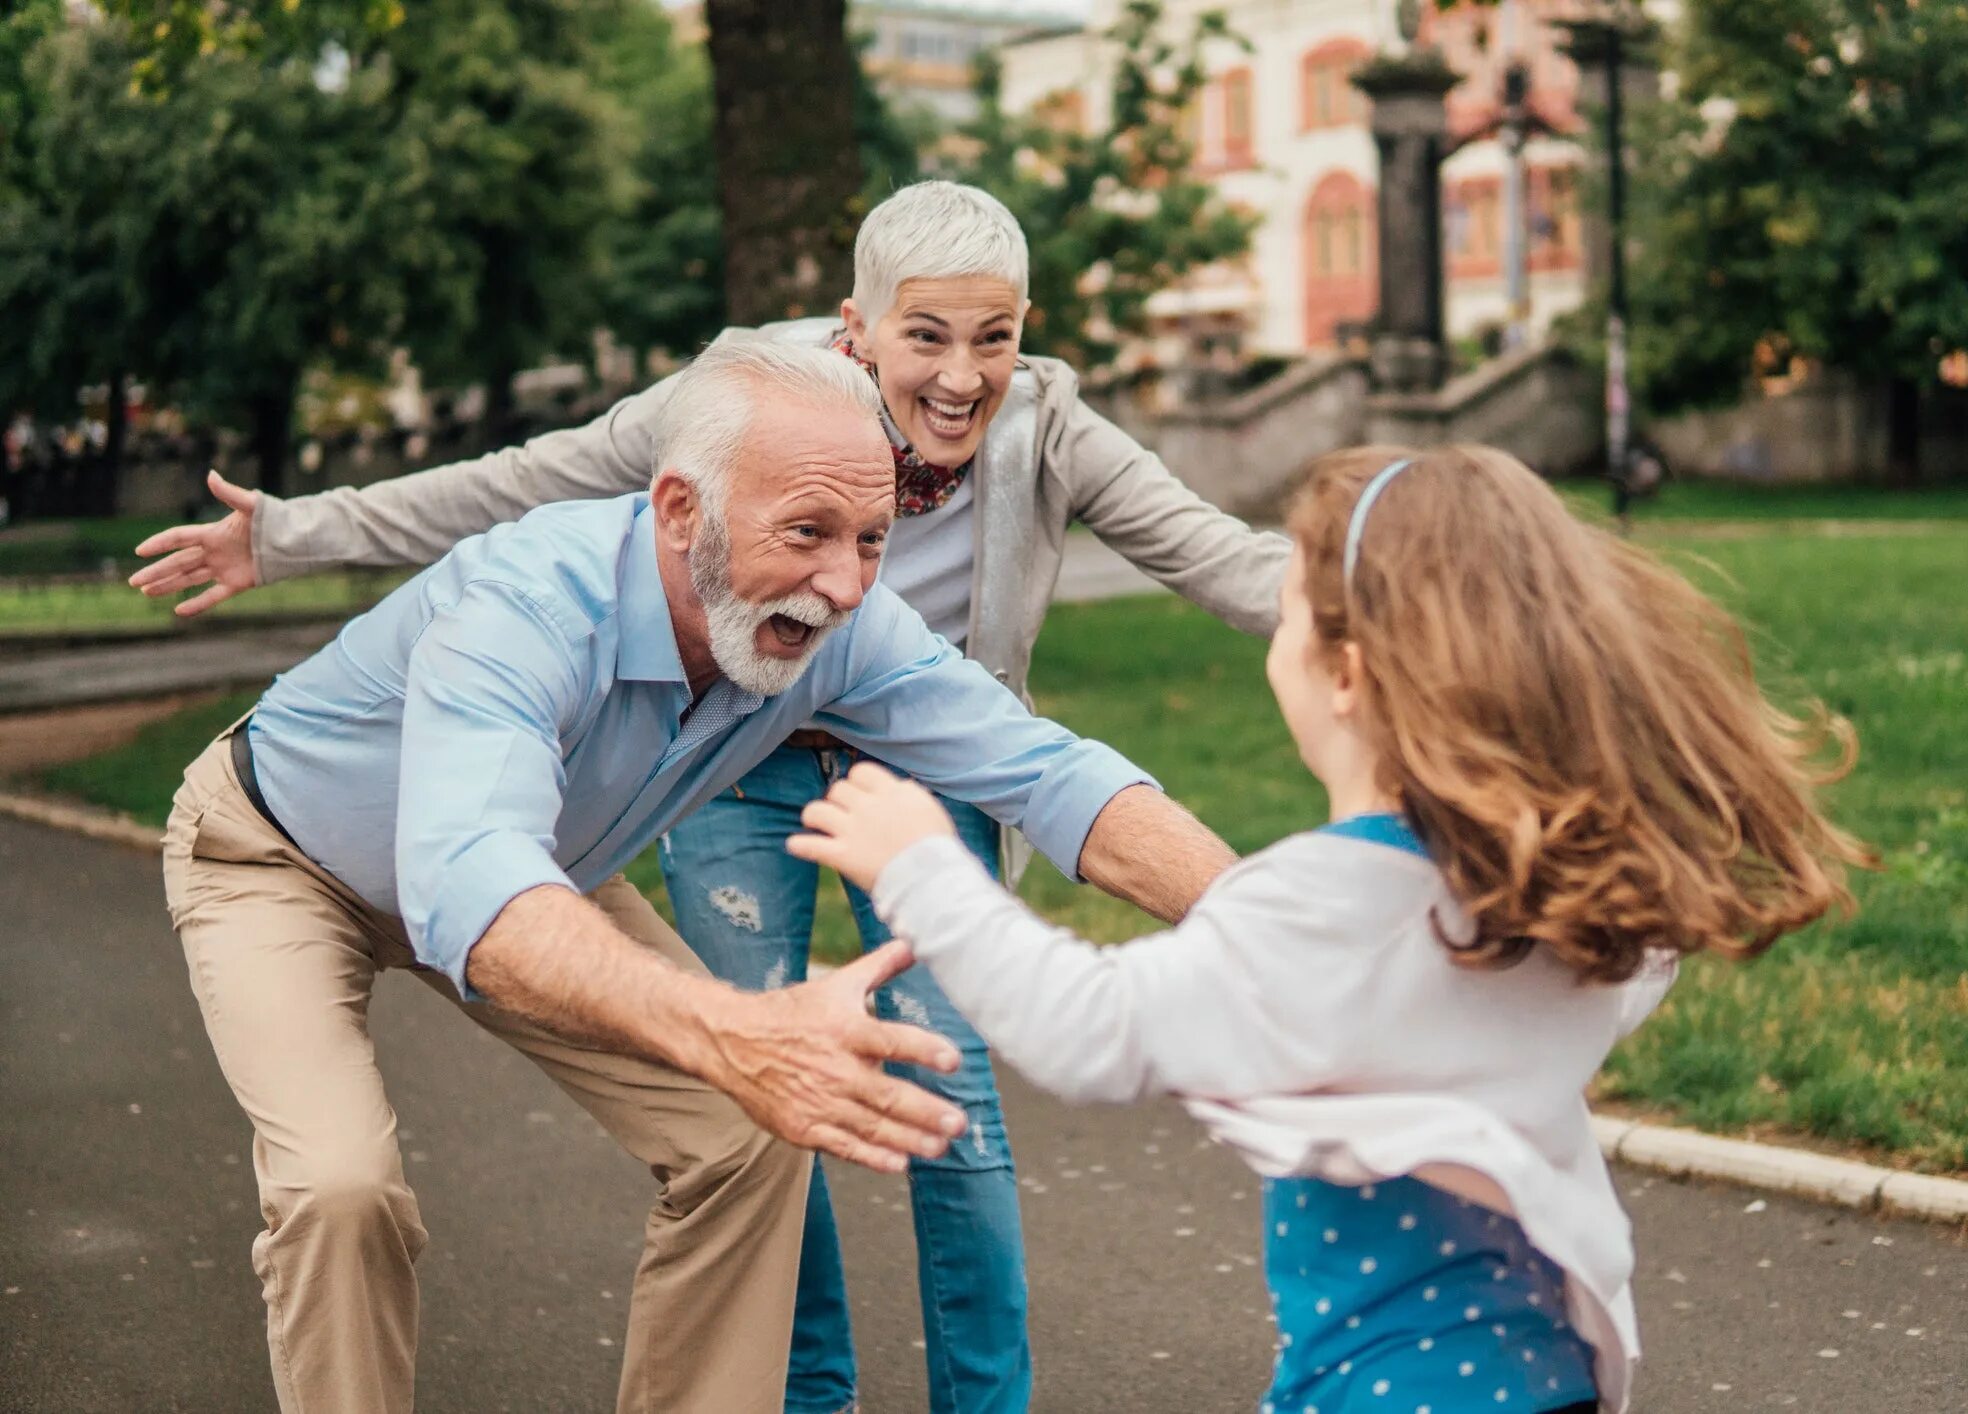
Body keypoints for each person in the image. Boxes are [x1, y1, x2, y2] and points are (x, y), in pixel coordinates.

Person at [130, 180, 1289, 1414]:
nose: (845, 586)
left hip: (539, 872)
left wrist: (1265, 923)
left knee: (748, 1137)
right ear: (680, 511)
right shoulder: (526, 604)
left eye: (875, 540)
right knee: (340, 1187)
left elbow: (1051, 773)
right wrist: (739, 1032)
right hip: (282, 856)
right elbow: (471, 880)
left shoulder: (849, 615)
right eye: (805, 536)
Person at [790, 446, 1874, 1414]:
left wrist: (924, 867)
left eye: (1289, 606)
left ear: (1346, 673)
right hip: (1552, 1378)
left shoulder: (1317, 906)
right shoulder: (1566, 895)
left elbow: (1088, 1029)